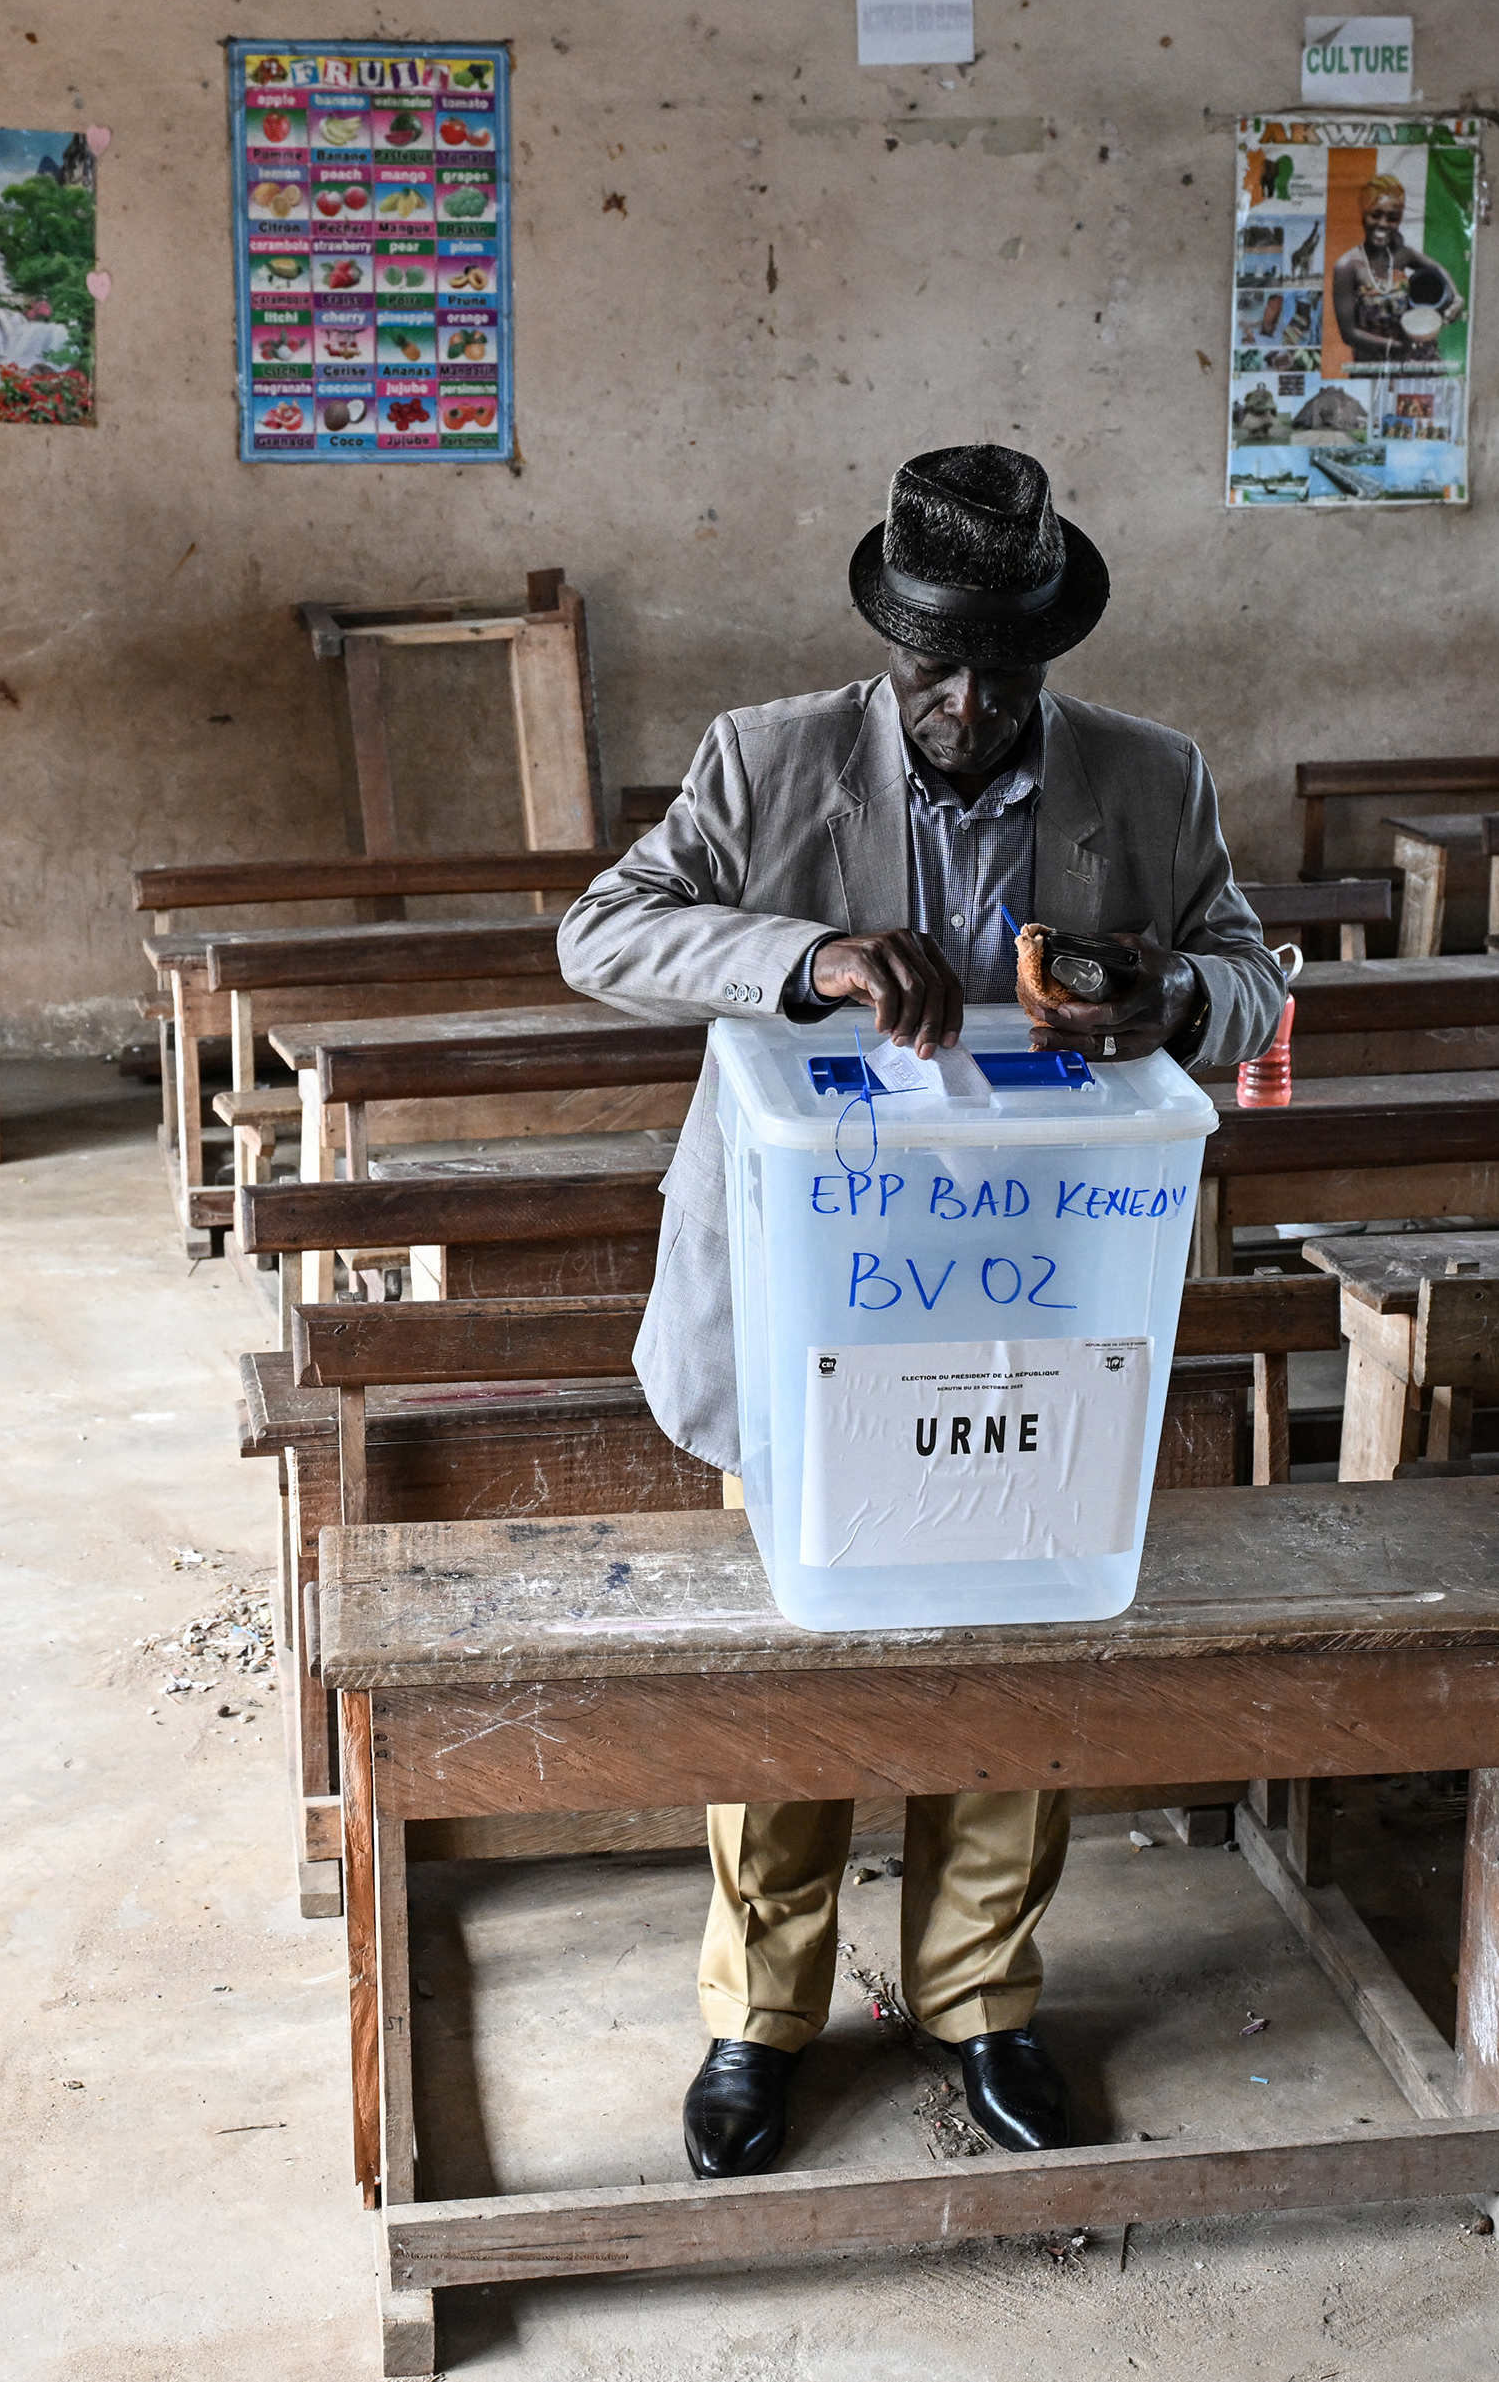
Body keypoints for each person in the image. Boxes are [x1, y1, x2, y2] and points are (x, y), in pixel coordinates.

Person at [557, 443, 1285, 2181]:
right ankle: (762, 2013)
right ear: (888, 645)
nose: (963, 704)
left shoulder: (1148, 782)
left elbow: (1258, 985)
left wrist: (1174, 993)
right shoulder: (769, 760)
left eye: (1001, 672)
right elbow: (603, 934)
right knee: (803, 1660)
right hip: (819, 1294)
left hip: (1039, 1295)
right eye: (930, 668)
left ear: (1050, 653)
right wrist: (801, 960)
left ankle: (978, 1996)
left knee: (1010, 1645)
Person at [1328, 171, 1458, 370]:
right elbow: (1349, 333)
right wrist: (1400, 348)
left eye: (1392, 218)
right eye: (1375, 215)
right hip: (1373, 367)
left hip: (1418, 362)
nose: (1383, 223)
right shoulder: (1348, 266)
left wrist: (1457, 298)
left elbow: (1438, 269)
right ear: (1363, 214)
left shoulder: (1401, 255)